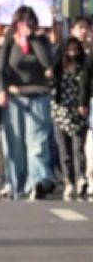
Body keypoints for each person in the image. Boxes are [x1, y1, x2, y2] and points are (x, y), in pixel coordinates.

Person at [0, 6, 54, 200]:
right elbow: (0, 69)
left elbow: (47, 63)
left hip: (39, 98)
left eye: (30, 22)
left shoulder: (42, 40)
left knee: (37, 144)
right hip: (15, 100)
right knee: (15, 144)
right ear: (14, 24)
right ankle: (16, 184)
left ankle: (37, 182)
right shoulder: (9, 42)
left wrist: (33, 39)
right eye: (22, 22)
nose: (25, 25)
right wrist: (1, 90)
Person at [51, 37, 88, 201]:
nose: (73, 53)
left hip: (79, 110)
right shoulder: (58, 66)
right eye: (69, 50)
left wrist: (83, 103)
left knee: (78, 148)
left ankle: (81, 178)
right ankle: (69, 181)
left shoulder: (84, 66)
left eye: (76, 50)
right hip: (61, 112)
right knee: (64, 150)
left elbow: (86, 86)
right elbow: (51, 83)